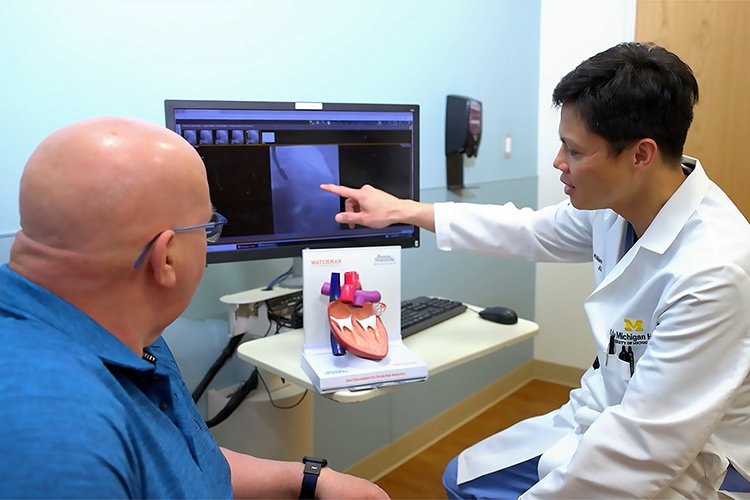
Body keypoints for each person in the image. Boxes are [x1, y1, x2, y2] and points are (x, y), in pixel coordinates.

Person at [321, 42, 750, 498]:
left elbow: (644, 451)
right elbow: (528, 231)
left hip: (696, 462)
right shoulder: (619, 206)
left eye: (575, 151)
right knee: (459, 479)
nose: (558, 163)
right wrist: (402, 210)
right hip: (610, 412)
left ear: (641, 155)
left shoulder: (715, 270)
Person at [0, 116, 389, 499]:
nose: (209, 241)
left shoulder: (120, 324)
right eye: (208, 228)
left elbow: (180, 464)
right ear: (165, 258)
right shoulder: (57, 441)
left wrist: (308, 480)